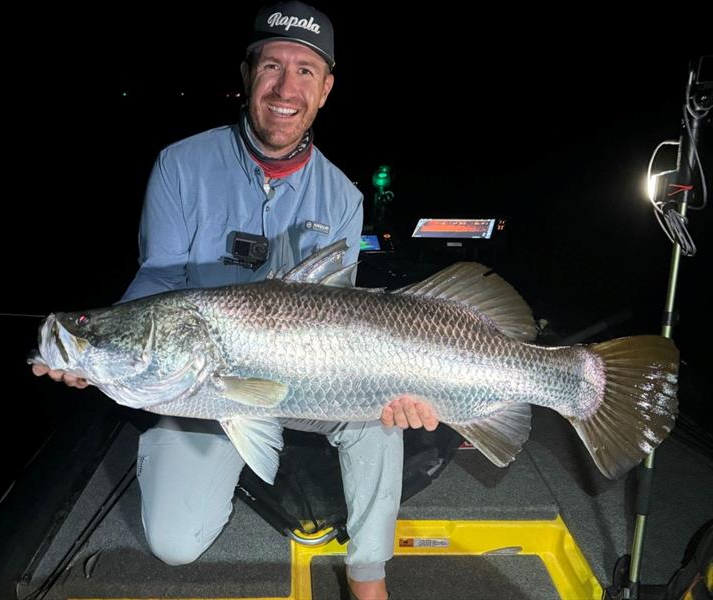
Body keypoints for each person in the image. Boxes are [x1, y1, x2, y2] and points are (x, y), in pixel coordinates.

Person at [32, 2, 436, 598]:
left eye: (305, 71)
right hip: (201, 377)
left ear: (325, 89)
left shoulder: (344, 198)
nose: (285, 87)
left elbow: (340, 316)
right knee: (174, 542)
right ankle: (224, 465)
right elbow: (157, 282)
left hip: (308, 376)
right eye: (272, 65)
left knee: (381, 415)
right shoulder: (179, 165)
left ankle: (368, 574)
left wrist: (393, 393)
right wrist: (99, 347)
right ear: (247, 74)